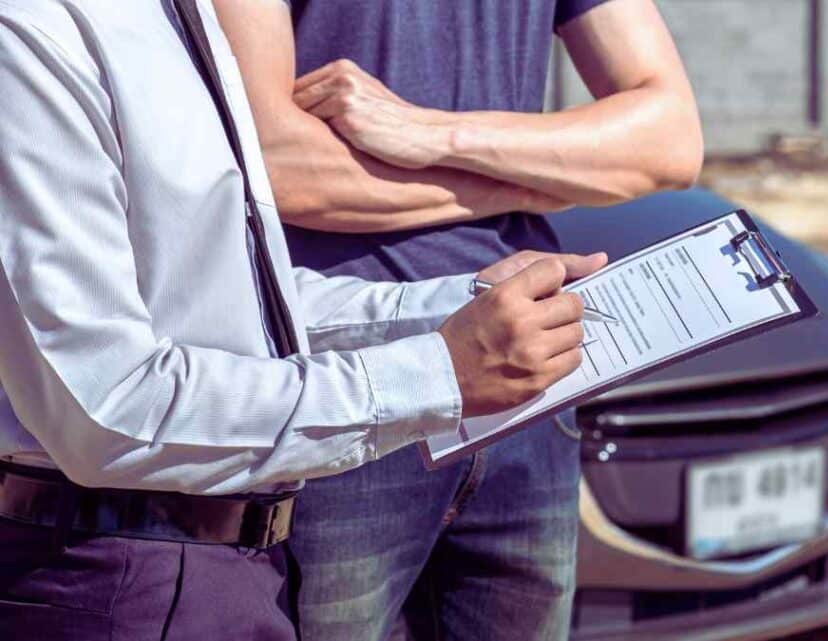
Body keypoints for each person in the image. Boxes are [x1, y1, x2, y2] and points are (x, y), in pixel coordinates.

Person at [0, 1, 604, 639]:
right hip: (109, 578)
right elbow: (110, 410)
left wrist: (459, 302)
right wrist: (436, 373)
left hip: (239, 567)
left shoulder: (175, 17)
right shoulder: (29, 33)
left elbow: (241, 305)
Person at [214, 0, 703, 638]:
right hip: (345, 377)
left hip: (531, 369)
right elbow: (276, 165)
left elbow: (669, 141)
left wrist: (436, 134)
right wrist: (536, 179)